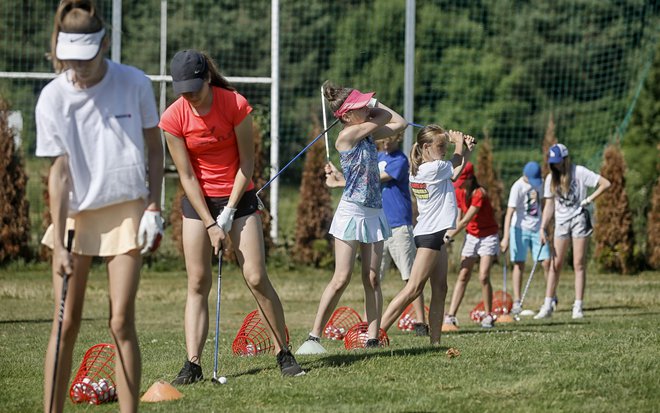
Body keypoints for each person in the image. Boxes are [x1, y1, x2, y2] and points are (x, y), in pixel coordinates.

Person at [36, 1, 164, 411]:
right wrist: (58, 245)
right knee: (65, 323)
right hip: (73, 218)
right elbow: (58, 173)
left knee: (120, 321)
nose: (80, 67)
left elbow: (155, 149)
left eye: (87, 58)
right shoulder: (52, 97)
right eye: (71, 60)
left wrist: (153, 207)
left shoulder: (134, 83)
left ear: (104, 43)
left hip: (127, 211)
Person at [159, 49, 304, 379]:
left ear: (207, 78)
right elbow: (187, 176)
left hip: (239, 195)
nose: (190, 97)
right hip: (199, 203)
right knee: (198, 281)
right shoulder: (172, 118)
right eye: (183, 91)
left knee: (255, 276)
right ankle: (192, 364)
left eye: (195, 88)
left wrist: (228, 212)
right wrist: (211, 221)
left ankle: (284, 353)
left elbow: (247, 164)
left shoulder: (235, 105)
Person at [299, 81, 407, 352]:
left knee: (372, 278)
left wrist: (368, 104)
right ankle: (314, 337)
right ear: (346, 116)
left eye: (366, 104)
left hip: (374, 211)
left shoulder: (367, 134)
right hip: (352, 212)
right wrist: (373, 106)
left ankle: (373, 337)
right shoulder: (347, 136)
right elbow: (383, 116)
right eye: (360, 106)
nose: (367, 107)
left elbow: (401, 123)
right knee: (341, 277)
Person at [324, 132, 428, 336]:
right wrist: (337, 173)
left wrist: (338, 183)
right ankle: (367, 325)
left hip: (398, 224)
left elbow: (373, 180)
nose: (386, 141)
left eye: (391, 137)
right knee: (372, 279)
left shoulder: (399, 160)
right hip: (376, 226)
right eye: (384, 138)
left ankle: (420, 321)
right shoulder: (376, 157)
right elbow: (358, 180)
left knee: (410, 276)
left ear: (397, 137)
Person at [380, 125, 475, 346]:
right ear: (426, 147)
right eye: (441, 146)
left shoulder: (427, 167)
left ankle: (435, 343)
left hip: (436, 234)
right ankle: (375, 334)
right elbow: (454, 166)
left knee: (440, 289)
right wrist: (458, 141)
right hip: (430, 235)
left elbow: (455, 171)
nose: (444, 150)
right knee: (413, 288)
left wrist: (466, 149)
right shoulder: (433, 169)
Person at [535, 144, 611, 319]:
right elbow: (549, 205)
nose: (556, 166)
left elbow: (605, 184)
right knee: (555, 264)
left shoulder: (580, 172)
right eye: (553, 163)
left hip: (579, 219)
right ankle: (548, 304)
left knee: (578, 263)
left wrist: (589, 199)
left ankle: (578, 306)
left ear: (566, 159)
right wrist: (543, 227)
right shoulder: (550, 179)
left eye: (559, 162)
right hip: (561, 223)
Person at [443, 162, 500, 329]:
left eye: (462, 180)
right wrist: (449, 232)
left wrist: (448, 236)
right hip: (472, 236)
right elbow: (458, 219)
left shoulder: (479, 193)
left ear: (469, 178)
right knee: (463, 274)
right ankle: (451, 315)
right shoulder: (459, 191)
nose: (459, 184)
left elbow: (466, 220)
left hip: (488, 236)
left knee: (483, 276)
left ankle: (489, 315)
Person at [500, 162, 551, 315]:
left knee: (547, 262)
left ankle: (550, 298)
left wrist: (546, 226)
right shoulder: (517, 187)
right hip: (519, 229)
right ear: (525, 176)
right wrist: (506, 237)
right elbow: (509, 213)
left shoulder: (539, 183)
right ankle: (517, 300)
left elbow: (544, 203)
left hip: (537, 228)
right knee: (519, 264)